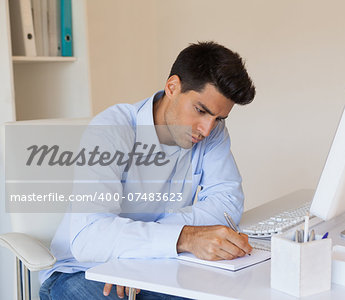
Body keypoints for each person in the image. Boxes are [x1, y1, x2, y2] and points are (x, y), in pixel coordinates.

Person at [39, 41, 256, 299]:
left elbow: (227, 203)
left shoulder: (212, 133)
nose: (207, 129)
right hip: (81, 270)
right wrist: (183, 237)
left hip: (158, 265)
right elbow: (90, 236)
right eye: (200, 110)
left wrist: (145, 249)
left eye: (218, 118)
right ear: (172, 87)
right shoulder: (112, 130)